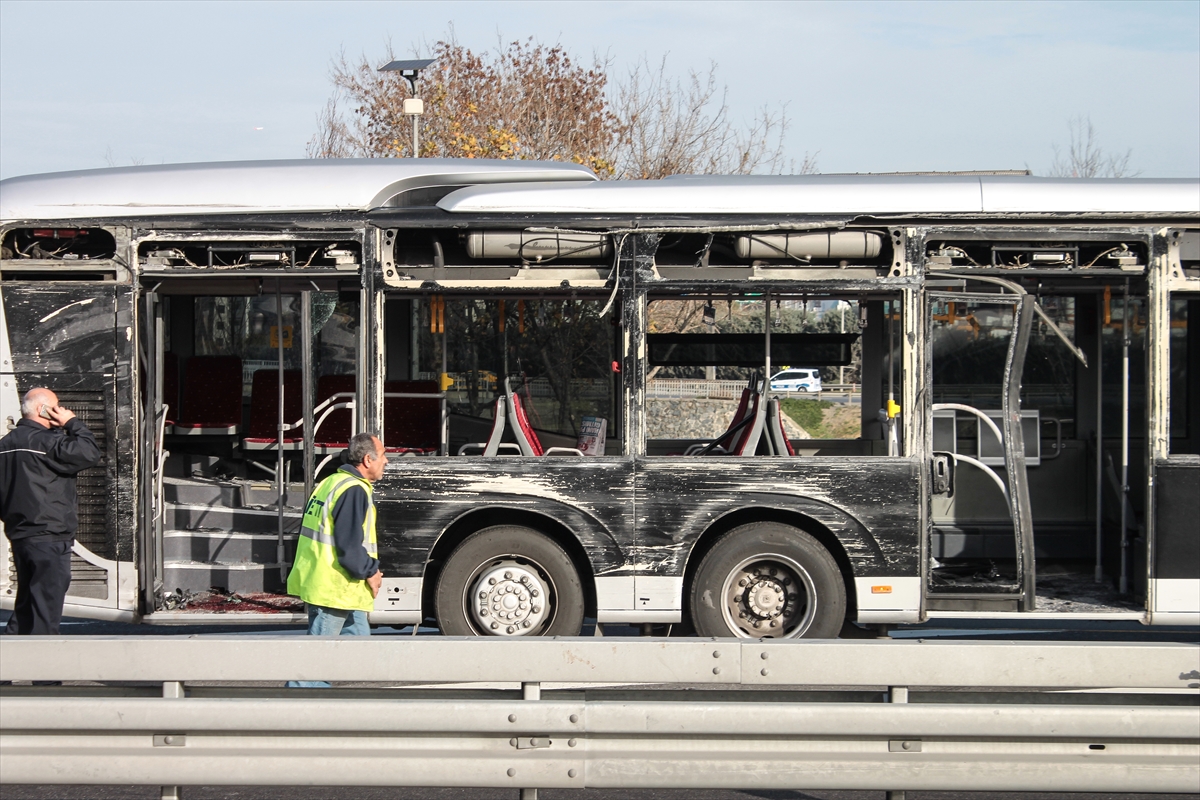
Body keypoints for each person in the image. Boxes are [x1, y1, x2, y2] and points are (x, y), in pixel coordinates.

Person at [286, 432, 386, 687]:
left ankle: (342, 714)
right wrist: (371, 572)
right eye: (383, 456)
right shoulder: (353, 491)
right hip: (336, 588)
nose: (386, 461)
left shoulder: (331, 482)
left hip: (341, 588)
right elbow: (349, 548)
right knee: (311, 672)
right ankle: (288, 714)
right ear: (367, 460)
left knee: (358, 657)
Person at [0, 388, 102, 635]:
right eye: (56, 406)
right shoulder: (48, 443)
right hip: (49, 535)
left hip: (20, 535)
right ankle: (47, 672)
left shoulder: (4, 445)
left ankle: (7, 667)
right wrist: (72, 422)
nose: (60, 410)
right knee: (46, 609)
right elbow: (89, 452)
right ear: (42, 410)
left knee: (26, 606)